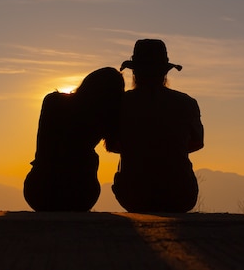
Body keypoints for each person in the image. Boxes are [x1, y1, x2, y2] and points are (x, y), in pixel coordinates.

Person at [107, 39, 204, 213]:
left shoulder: (120, 103)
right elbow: (197, 143)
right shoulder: (187, 103)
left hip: (134, 197)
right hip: (181, 196)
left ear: (134, 72)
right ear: (165, 73)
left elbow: (112, 146)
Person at [23, 67, 125, 211]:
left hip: (37, 190)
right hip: (81, 194)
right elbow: (117, 147)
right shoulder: (105, 116)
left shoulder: (52, 101)